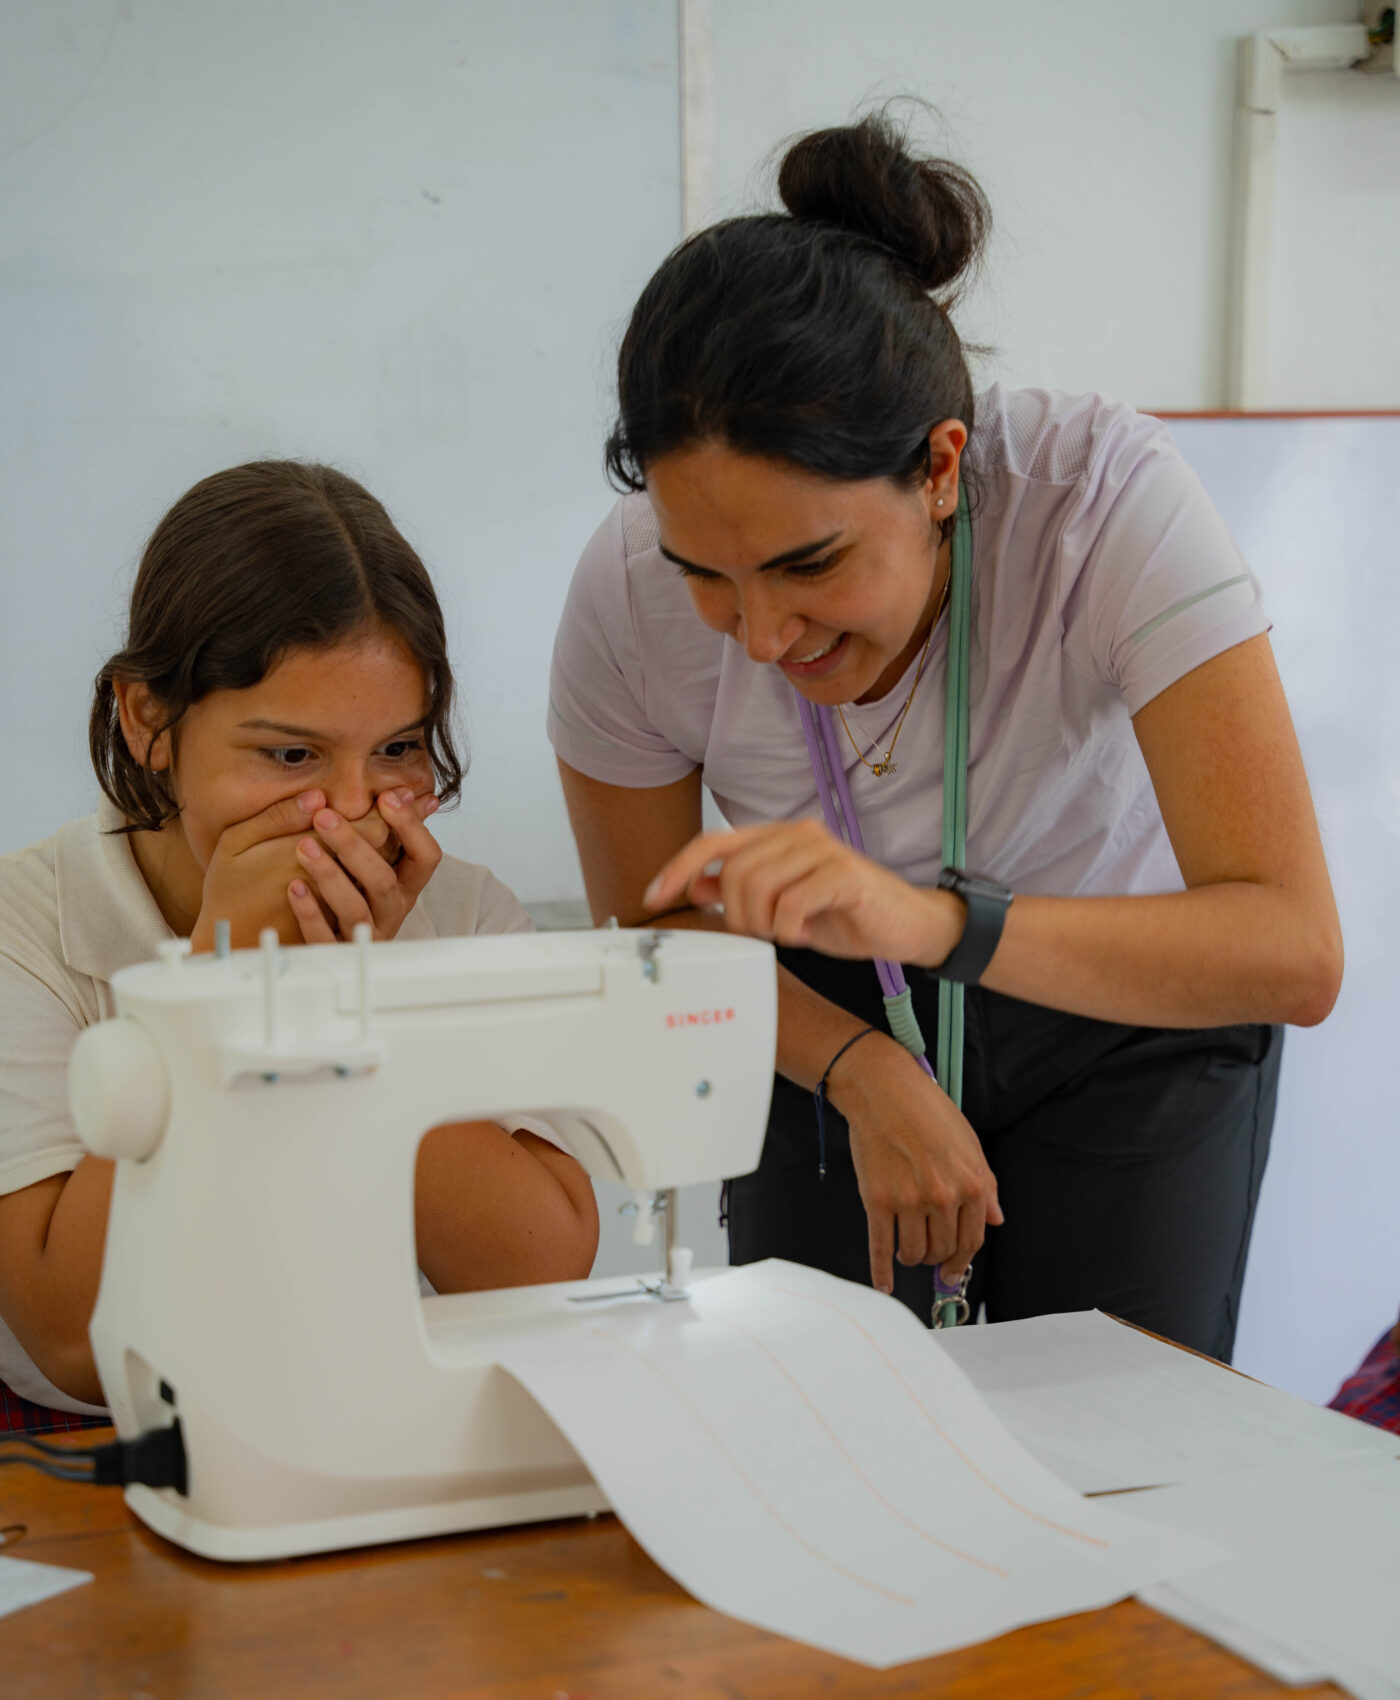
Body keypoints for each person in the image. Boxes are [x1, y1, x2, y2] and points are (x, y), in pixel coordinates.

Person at [548, 115, 1342, 1361]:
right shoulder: (625, 590)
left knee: (1122, 1445)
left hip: (1120, 1003)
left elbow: (1290, 950)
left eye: (808, 563)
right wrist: (861, 1070)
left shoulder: (1103, 503)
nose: (759, 636)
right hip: (817, 1013)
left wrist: (927, 923)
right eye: (706, 572)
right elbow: (650, 930)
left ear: (938, 468)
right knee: (829, 1423)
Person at [0, 461, 599, 1430]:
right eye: (290, 755)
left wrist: (349, 995)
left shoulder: (461, 912)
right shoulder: (22, 927)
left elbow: (533, 1269)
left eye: (399, 749)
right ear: (148, 718)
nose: (351, 810)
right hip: (84, 1457)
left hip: (364, 1411)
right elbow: (71, 1339)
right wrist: (225, 978)